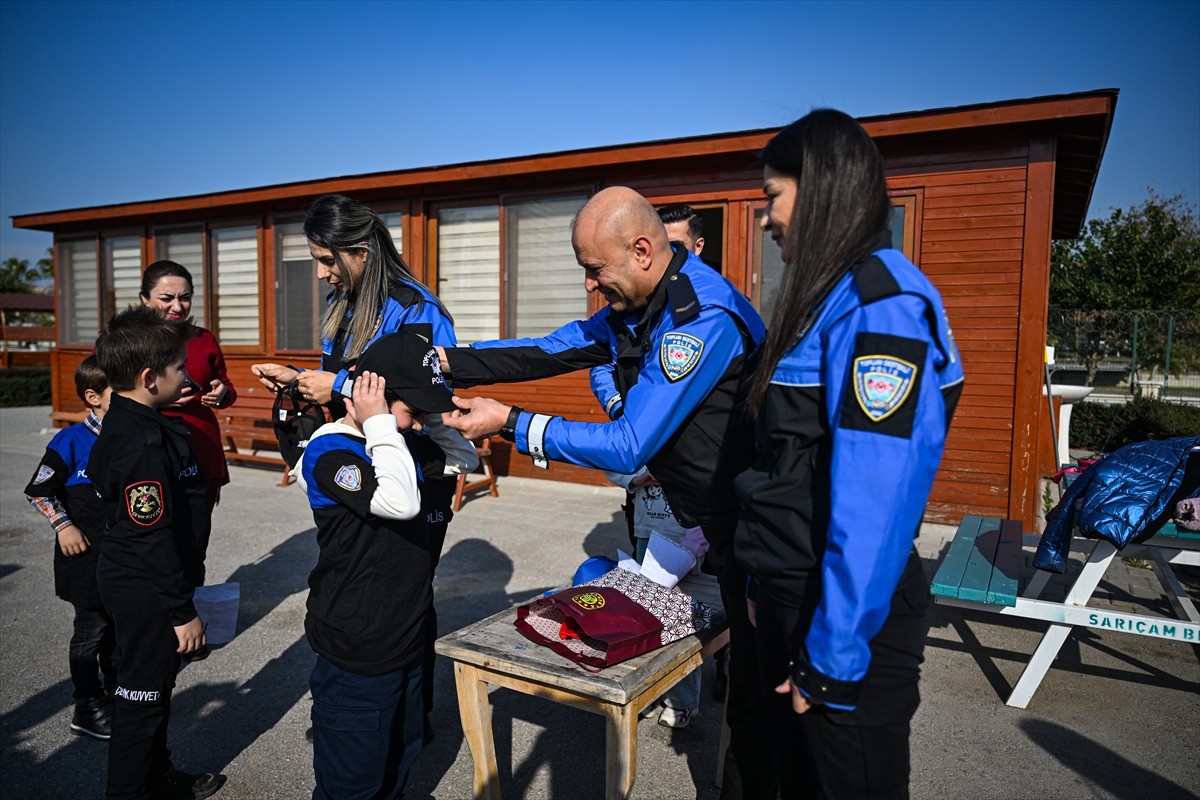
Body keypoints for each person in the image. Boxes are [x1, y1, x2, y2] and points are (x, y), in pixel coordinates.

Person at [438, 186, 777, 798]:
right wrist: (445, 361)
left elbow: (630, 446)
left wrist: (512, 423)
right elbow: (544, 351)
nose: (591, 285)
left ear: (643, 251)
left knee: (761, 713)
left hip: (759, 532)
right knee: (751, 704)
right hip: (709, 521)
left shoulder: (698, 317)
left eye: (595, 269)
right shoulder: (633, 310)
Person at [734, 109, 964, 800]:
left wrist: (831, 658)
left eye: (773, 197)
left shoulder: (881, 307)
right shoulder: (824, 299)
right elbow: (782, 466)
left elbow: (877, 502)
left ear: (823, 188)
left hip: (842, 623)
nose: (765, 219)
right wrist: (759, 587)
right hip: (790, 600)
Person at [251, 193, 467, 739]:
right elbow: (355, 391)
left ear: (362, 252)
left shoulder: (417, 308)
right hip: (362, 464)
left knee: (402, 591)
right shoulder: (348, 304)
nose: (322, 274)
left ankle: (402, 722)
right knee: (363, 586)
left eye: (328, 260)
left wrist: (338, 383)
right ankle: (370, 720)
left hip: (415, 468)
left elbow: (426, 395)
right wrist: (302, 380)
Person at [297, 332, 475, 800]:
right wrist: (380, 423)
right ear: (370, 395)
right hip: (359, 644)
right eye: (412, 412)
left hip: (405, 635)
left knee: (400, 754)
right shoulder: (331, 451)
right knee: (353, 781)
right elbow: (397, 502)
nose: (417, 425)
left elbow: (463, 458)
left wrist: (426, 419)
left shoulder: (400, 442)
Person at [88, 304, 223, 800]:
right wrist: (180, 610)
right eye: (179, 368)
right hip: (146, 588)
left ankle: (156, 776)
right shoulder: (141, 440)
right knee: (142, 697)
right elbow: (152, 534)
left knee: (154, 688)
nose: (187, 375)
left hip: (151, 582)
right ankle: (131, 790)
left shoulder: (145, 420)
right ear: (148, 377)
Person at [24, 356, 117, 741]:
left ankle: (118, 692)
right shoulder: (69, 441)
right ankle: (87, 703)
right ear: (93, 397)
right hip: (83, 560)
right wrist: (65, 527)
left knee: (118, 629)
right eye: (119, 392)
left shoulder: (129, 437)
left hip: (120, 559)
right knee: (90, 632)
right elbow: (39, 491)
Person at [140, 260, 237, 587]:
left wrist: (221, 393)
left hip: (200, 450)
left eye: (185, 298)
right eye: (166, 298)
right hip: (148, 453)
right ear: (144, 299)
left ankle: (192, 619)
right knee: (151, 542)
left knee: (194, 544)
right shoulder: (125, 340)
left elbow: (227, 386)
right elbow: (105, 396)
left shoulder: (204, 339)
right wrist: (158, 399)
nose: (177, 306)